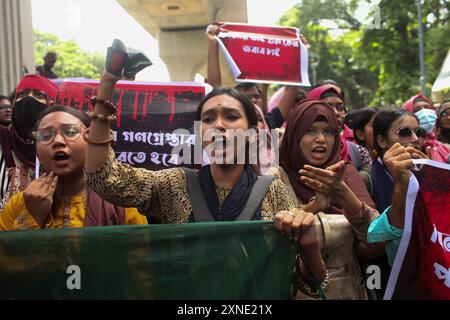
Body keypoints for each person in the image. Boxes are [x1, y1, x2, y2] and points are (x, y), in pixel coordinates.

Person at [84, 59, 329, 297]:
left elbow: (306, 284)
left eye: (231, 117)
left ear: (254, 133)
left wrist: (308, 244)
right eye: (209, 119)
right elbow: (104, 179)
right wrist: (108, 81)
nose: (218, 125)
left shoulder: (273, 191)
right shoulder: (173, 183)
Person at [266, 99, 380, 300]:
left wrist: (342, 193)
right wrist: (315, 207)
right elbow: (273, 245)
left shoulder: (347, 173)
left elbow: (376, 236)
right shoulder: (275, 179)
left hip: (348, 291)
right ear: (294, 134)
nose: (321, 139)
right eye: (310, 131)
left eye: (328, 131)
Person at [0, 106, 147, 230]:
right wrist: (31, 216)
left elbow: (140, 261)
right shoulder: (20, 203)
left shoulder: (122, 203)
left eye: (70, 132)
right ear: (36, 149)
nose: (57, 141)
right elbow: (8, 261)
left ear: (89, 140)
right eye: (45, 136)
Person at [205, 24, 299, 130]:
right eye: (248, 98)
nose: (254, 101)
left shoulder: (269, 124)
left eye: (257, 97)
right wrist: (213, 44)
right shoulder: (229, 128)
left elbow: (291, 89)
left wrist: (296, 50)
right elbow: (216, 88)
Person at [0, 74, 58, 208]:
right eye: (23, 94)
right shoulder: (3, 141)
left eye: (39, 95)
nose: (29, 99)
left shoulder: (69, 148)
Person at [368, 143, 428, 266]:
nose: (415, 139)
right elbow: (401, 261)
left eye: (417, 132)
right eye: (404, 132)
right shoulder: (371, 177)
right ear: (381, 140)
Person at [402, 94, 449, 163]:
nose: (425, 113)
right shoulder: (406, 149)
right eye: (417, 109)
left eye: (427, 107)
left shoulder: (443, 147)